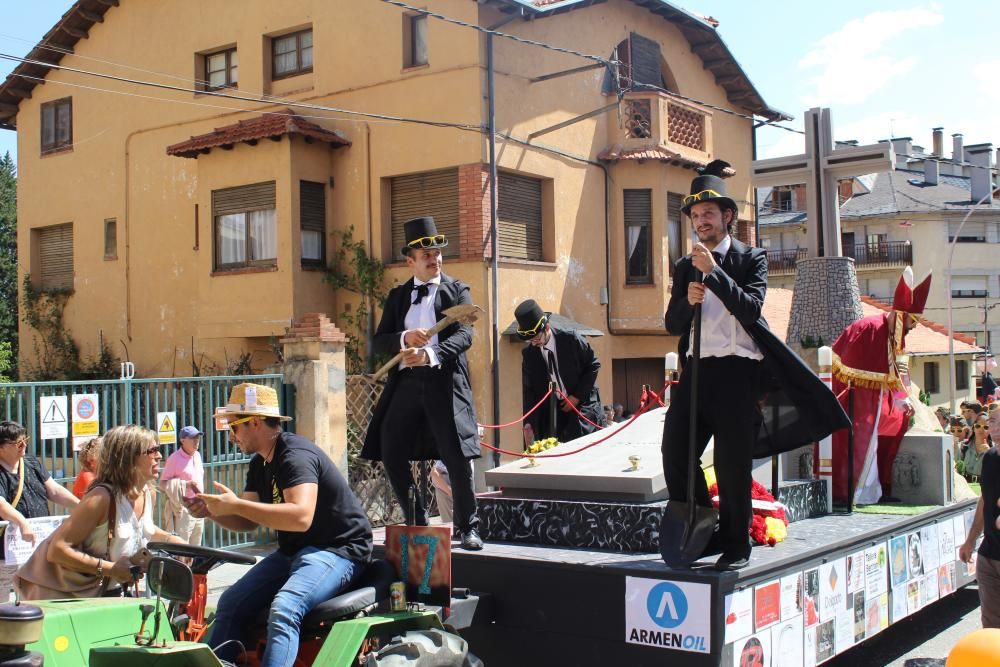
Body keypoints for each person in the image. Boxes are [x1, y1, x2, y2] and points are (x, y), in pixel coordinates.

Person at [661, 160, 849, 571]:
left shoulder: (751, 258)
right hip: (695, 373)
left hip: (736, 374)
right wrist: (686, 301)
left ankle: (735, 545)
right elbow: (671, 323)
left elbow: (750, 310)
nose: (701, 222)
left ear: (727, 217)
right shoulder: (682, 266)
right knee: (674, 451)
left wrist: (715, 276)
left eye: (708, 214)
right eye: (695, 216)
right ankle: (701, 525)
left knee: (731, 465)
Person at [188, 383, 373, 667]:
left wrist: (235, 503)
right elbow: (247, 522)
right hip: (295, 552)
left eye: (233, 428)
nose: (231, 437)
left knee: (286, 609)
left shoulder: (294, 455)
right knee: (230, 603)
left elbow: (300, 517)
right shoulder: (259, 464)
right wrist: (210, 512)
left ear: (254, 422)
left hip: (338, 550)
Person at [360, 216, 483, 550]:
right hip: (407, 383)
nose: (434, 259)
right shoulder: (399, 297)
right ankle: (417, 518)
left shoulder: (457, 290)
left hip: (445, 382)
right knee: (390, 447)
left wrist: (431, 353)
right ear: (410, 260)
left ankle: (467, 526)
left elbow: (466, 334)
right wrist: (404, 338)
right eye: (426, 255)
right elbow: (380, 341)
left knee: (456, 455)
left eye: (438, 253)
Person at [15, 425, 184, 600]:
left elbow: (142, 528)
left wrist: (172, 540)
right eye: (152, 450)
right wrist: (111, 569)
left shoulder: (148, 493)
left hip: (118, 594)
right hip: (81, 599)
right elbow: (57, 550)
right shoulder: (101, 498)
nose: (159, 456)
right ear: (128, 457)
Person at [828, 267, 930, 505]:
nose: (912, 328)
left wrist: (902, 402)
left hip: (876, 403)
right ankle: (857, 493)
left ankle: (874, 491)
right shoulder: (870, 329)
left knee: (883, 436)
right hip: (855, 402)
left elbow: (892, 375)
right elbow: (857, 371)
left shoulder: (895, 337)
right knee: (864, 444)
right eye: (911, 321)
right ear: (900, 315)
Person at [515, 299, 605, 444]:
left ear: (547, 328)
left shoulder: (571, 339)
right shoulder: (529, 354)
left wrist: (576, 397)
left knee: (579, 445)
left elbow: (593, 365)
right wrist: (528, 421)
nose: (535, 343)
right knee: (552, 448)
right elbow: (529, 390)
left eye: (537, 338)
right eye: (530, 341)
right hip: (554, 410)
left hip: (583, 405)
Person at [0, 421, 79, 550]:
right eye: (19, 443)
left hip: (40, 539)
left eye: (25, 440)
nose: (24, 445)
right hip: (9, 549)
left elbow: (54, 490)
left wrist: (81, 505)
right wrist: (22, 522)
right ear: (1, 447)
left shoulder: (32, 463)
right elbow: (1, 504)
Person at [959, 432, 1000, 628]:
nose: (996, 427)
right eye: (993, 421)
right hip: (989, 554)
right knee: (991, 625)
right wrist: (971, 539)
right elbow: (985, 499)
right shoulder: (990, 458)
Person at [159, 425, 205, 545]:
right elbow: (162, 484)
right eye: (192, 438)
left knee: (197, 547)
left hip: (199, 507)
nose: (196, 441)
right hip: (183, 509)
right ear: (182, 440)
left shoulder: (198, 456)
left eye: (198, 438)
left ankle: (195, 565)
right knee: (183, 548)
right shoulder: (174, 459)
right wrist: (185, 485)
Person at [960, 413, 993, 483]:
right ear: (973, 428)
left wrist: (990, 453)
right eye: (978, 426)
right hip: (966, 488)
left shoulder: (995, 449)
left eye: (986, 427)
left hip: (984, 488)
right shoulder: (963, 446)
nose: (981, 429)